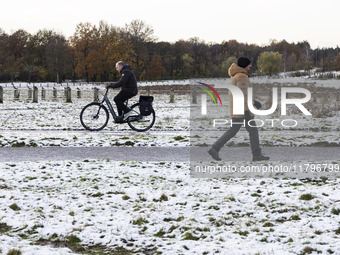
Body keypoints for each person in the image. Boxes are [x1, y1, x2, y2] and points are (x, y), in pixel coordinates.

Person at [208, 57, 270, 162]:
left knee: (234, 131)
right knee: (252, 131)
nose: (250, 66)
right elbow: (243, 95)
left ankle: (215, 149)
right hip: (243, 110)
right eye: (249, 65)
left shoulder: (236, 76)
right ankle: (256, 155)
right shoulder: (241, 76)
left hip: (238, 109)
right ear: (245, 65)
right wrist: (252, 106)